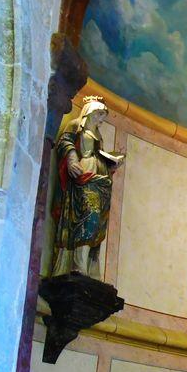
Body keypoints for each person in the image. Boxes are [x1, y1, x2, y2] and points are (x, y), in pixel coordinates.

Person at [50, 96, 125, 279]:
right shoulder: (76, 125)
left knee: (97, 222)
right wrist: (72, 159)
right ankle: (77, 264)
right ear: (91, 112)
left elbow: (99, 155)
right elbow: (65, 142)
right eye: (100, 115)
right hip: (83, 175)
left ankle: (89, 268)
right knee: (86, 217)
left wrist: (111, 165)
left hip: (100, 179)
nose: (101, 120)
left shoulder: (98, 135)